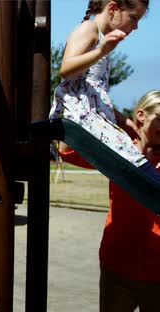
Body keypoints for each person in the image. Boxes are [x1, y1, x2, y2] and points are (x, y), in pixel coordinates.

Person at [59, 90, 160, 312]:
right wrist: (86, 108)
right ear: (141, 116)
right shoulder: (119, 149)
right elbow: (69, 151)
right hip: (118, 264)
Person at [49, 0, 160, 185]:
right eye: (133, 18)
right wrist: (101, 50)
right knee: (130, 157)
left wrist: (123, 120)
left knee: (130, 154)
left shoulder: (102, 40)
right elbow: (66, 69)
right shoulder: (89, 28)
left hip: (92, 121)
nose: (136, 26)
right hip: (79, 123)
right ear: (113, 8)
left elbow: (95, 93)